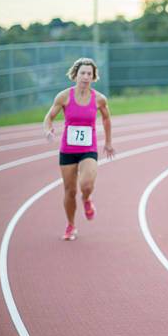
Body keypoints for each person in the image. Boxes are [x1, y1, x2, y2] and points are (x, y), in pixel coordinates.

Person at [43, 58, 115, 241]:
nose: (85, 77)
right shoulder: (64, 96)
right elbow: (49, 116)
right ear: (75, 75)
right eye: (82, 73)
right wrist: (48, 129)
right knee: (70, 191)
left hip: (88, 149)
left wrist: (108, 142)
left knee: (87, 185)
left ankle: (87, 199)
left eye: (89, 74)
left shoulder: (99, 99)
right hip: (68, 150)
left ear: (93, 76)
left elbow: (106, 119)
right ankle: (71, 225)